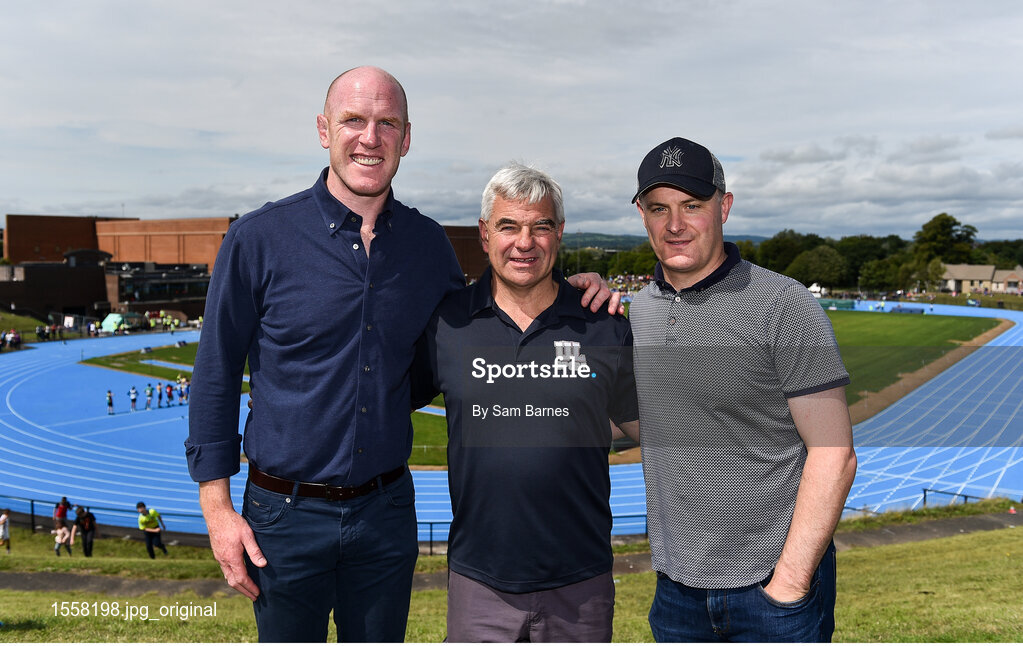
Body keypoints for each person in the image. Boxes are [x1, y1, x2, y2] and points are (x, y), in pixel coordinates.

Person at [185, 66, 617, 643]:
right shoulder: (259, 238)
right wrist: (217, 511)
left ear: (406, 138)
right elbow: (214, 373)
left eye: (387, 123)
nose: (370, 137)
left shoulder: (426, 244)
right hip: (283, 516)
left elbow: (473, 321)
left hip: (385, 514)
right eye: (353, 121)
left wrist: (573, 289)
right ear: (323, 129)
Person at [628, 137, 857, 642]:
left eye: (693, 206)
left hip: (771, 592)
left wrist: (790, 583)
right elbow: (645, 422)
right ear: (642, 215)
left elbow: (835, 454)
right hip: (675, 591)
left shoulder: (784, 305)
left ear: (724, 207)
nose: (675, 225)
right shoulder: (637, 310)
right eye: (659, 208)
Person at [414, 164, 640, 641]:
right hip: (480, 582)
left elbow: (649, 427)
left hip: (582, 582)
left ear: (559, 234)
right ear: (484, 234)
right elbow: (383, 401)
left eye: (540, 226)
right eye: (508, 225)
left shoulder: (603, 323)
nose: (525, 242)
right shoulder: (446, 324)